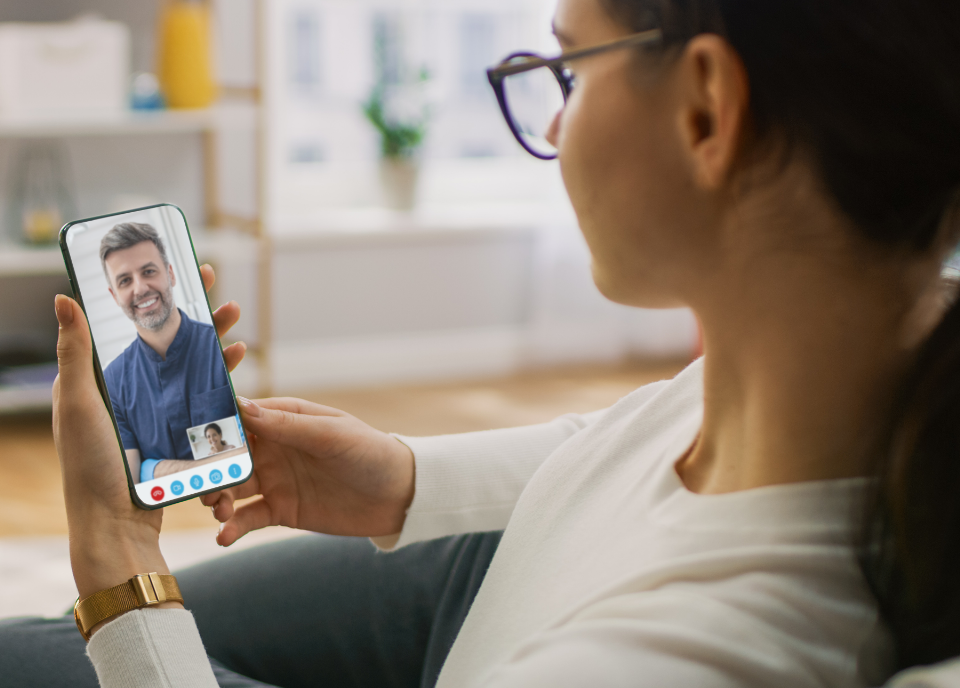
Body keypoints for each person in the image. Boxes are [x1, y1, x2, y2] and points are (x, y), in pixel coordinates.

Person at [2, 0, 960, 686]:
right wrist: (402, 478)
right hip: (518, 566)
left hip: (527, 626)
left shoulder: (682, 654)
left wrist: (121, 562)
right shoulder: (856, 368)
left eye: (570, 69)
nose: (552, 116)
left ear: (707, 108)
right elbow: (622, 436)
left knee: (48, 649)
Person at [99, 222, 237, 483]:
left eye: (149, 271)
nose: (140, 288)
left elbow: (241, 453)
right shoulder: (113, 381)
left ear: (171, 274)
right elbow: (129, 479)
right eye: (125, 280)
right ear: (114, 296)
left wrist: (151, 468)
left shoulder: (217, 349)